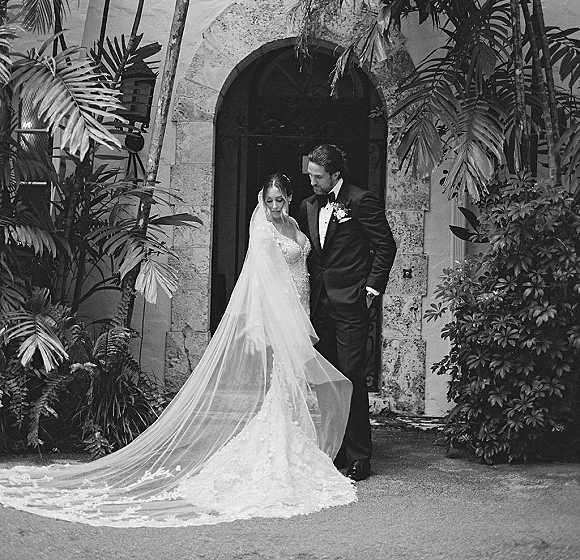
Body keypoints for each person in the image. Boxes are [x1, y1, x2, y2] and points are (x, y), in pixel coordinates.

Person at [0, 174, 356, 527]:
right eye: (270, 201)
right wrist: (260, 324)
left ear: (290, 199)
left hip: (300, 309)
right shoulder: (264, 230)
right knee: (285, 381)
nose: (275, 207)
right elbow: (259, 280)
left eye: (280, 200)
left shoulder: (294, 222)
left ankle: (294, 446)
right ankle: (280, 455)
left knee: (293, 382)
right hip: (281, 316)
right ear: (263, 202)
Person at [299, 144, 397, 482]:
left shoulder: (361, 201)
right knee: (326, 381)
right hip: (319, 307)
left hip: (352, 306)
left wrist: (370, 290)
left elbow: (386, 246)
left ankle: (359, 456)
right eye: (310, 175)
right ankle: (334, 448)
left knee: (351, 378)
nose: (311, 182)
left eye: (317, 177)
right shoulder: (308, 206)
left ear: (336, 175)